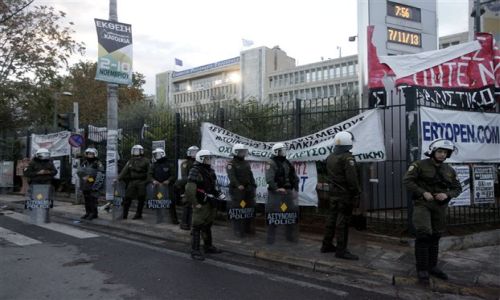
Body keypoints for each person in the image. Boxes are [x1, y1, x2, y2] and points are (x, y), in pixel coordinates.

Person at [404, 139, 462, 285]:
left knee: (436, 236)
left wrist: (447, 195)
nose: (442, 155)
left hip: (440, 207)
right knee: (424, 234)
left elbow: (457, 188)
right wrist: (423, 192)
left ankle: (432, 266)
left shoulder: (449, 170)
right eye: (440, 151)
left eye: (445, 152)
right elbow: (408, 181)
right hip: (423, 204)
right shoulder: (419, 165)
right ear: (433, 151)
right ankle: (422, 269)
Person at [320, 132, 361, 260]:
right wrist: (356, 192)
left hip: (333, 193)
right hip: (344, 194)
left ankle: (326, 245)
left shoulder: (331, 156)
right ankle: (341, 250)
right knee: (342, 222)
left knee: (332, 219)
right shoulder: (347, 158)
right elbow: (352, 179)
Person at [185, 149, 225, 261]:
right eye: (207, 158)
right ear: (201, 159)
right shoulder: (195, 171)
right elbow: (189, 189)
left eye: (210, 158)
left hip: (210, 202)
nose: (209, 160)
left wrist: (219, 195)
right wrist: (195, 203)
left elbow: (214, 186)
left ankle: (208, 246)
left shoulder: (210, 171)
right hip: (201, 202)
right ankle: (195, 250)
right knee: (197, 226)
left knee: (207, 225)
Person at [265, 142, 299, 244]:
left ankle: (290, 237)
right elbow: (269, 179)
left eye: (284, 150)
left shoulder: (288, 163)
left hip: (287, 193)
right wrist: (277, 188)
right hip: (277, 194)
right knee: (275, 215)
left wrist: (295, 190)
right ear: (276, 152)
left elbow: (294, 177)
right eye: (282, 150)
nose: (284, 152)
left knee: (290, 214)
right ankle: (271, 239)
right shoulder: (271, 163)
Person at [227, 143, 257, 237]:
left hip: (248, 189)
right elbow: (232, 177)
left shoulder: (246, 163)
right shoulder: (231, 164)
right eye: (241, 152)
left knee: (249, 208)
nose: (243, 153)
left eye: (244, 151)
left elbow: (250, 174)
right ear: (236, 152)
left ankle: (247, 228)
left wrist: (253, 184)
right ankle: (237, 229)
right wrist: (238, 185)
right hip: (237, 191)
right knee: (238, 209)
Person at [118, 145, 151, 220]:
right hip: (132, 181)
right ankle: (124, 214)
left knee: (141, 198)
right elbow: (124, 171)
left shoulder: (146, 161)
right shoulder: (130, 160)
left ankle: (138, 214)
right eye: (134, 150)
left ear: (141, 151)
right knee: (127, 197)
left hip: (142, 181)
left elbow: (149, 172)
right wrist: (118, 179)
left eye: (137, 150)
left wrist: (147, 181)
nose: (135, 152)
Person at [150, 148, 178, 224]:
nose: (156, 156)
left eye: (157, 154)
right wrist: (153, 181)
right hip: (158, 187)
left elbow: (174, 175)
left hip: (168, 187)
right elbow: (149, 175)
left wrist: (168, 180)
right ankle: (159, 219)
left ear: (162, 154)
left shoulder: (169, 164)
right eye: (155, 154)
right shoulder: (154, 165)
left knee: (171, 202)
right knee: (159, 201)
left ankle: (174, 219)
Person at [175, 145, 199, 230]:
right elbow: (185, 177)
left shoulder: (199, 163)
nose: (194, 154)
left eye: (196, 152)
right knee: (187, 205)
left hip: (198, 187)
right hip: (188, 186)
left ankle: (192, 223)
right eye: (193, 152)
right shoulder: (185, 163)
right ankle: (184, 223)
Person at [77, 147, 104, 220]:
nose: (89, 155)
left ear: (95, 154)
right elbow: (79, 171)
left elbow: (101, 173)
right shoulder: (84, 162)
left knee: (93, 199)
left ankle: (93, 214)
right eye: (88, 154)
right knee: (86, 199)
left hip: (94, 184)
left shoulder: (97, 163)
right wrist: (84, 177)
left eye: (91, 154)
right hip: (85, 184)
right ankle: (87, 212)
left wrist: (90, 179)